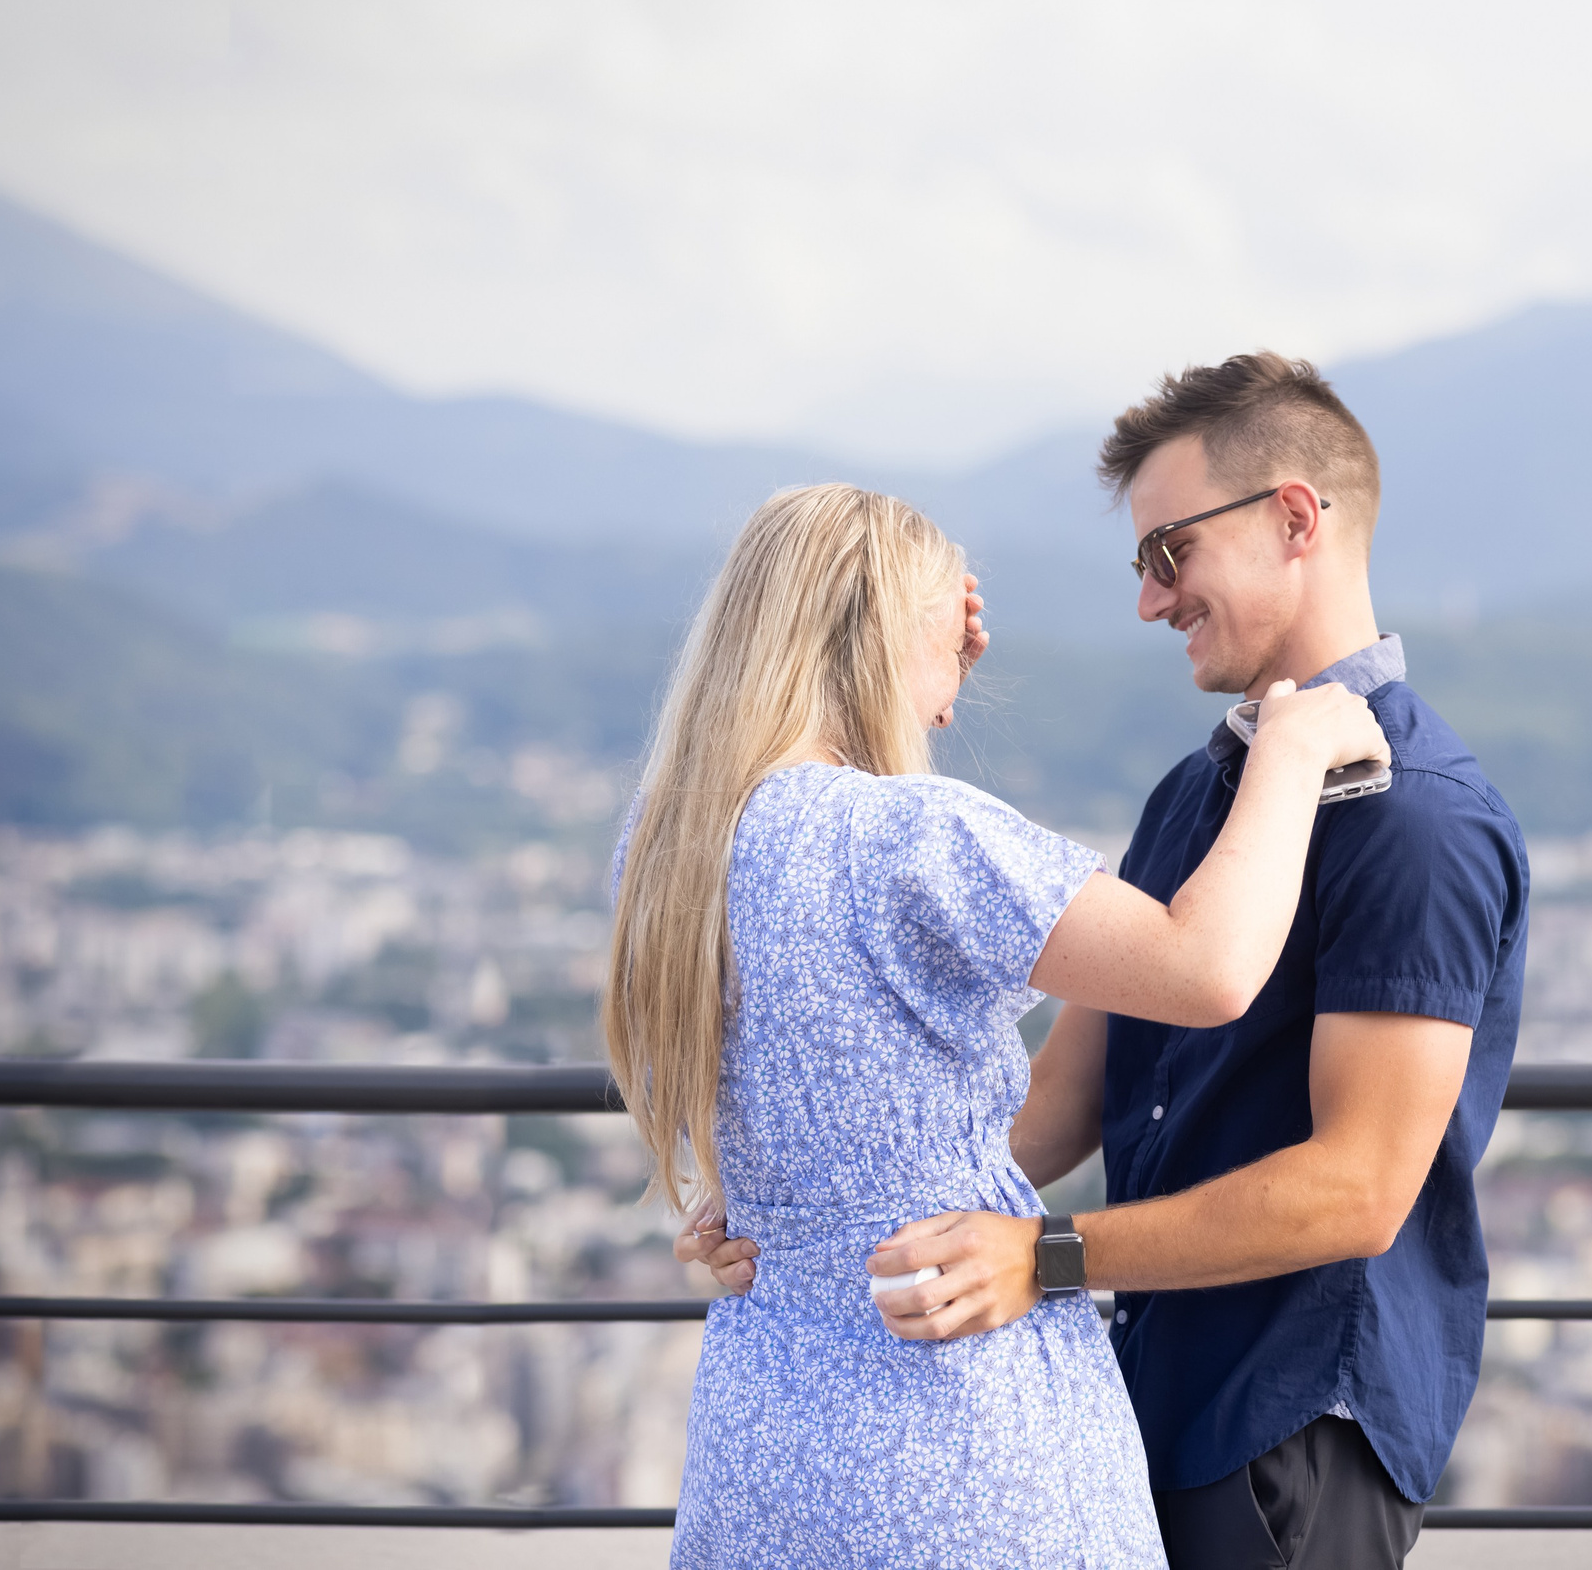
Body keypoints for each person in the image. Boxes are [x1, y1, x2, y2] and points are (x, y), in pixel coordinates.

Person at [684, 361, 1528, 1570]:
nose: (1148, 601)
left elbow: (1359, 1191)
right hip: (1151, 1393)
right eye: (1141, 565)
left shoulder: (1416, 818)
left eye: (1170, 554)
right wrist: (808, 1208)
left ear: (1295, 519)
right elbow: (1063, 1097)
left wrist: (1049, 1257)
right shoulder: (1201, 792)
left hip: (1291, 1416)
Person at [608, 481, 1388, 1569]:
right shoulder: (917, 838)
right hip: (963, 1438)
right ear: (882, 639)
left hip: (765, 1445)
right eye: (946, 625)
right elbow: (1207, 968)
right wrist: (1291, 755)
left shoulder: (666, 847)